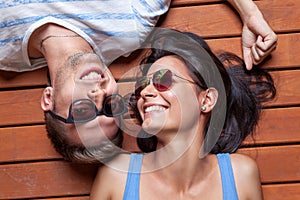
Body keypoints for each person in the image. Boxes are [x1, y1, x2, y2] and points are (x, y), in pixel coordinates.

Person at [0, 0, 277, 163]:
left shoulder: (3, 54)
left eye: (83, 111)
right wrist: (250, 13)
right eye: (110, 106)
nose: (99, 94)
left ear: (48, 99)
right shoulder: (128, 26)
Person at [89, 29, 276, 199]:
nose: (145, 93)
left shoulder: (240, 176)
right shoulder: (117, 177)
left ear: (207, 100)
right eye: (143, 86)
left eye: (164, 80)